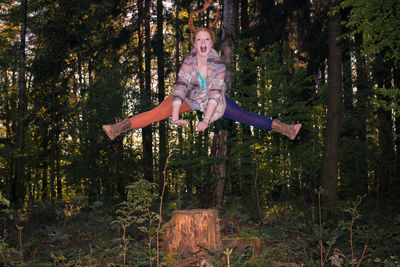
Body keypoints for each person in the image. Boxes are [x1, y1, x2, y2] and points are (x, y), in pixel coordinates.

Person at [102, 26, 301, 141]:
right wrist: (174, 115)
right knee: (156, 113)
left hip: (213, 101)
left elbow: (215, 94)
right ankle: (118, 128)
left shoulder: (219, 66)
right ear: (195, 43)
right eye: (199, 39)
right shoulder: (188, 62)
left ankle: (286, 129)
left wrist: (206, 121)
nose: (203, 42)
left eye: (207, 38)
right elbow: (180, 87)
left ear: (211, 43)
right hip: (190, 98)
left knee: (243, 115)